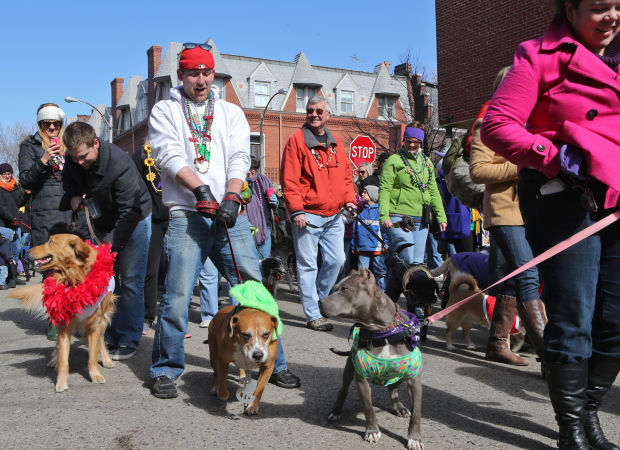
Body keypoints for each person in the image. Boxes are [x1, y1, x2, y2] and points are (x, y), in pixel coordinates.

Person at [481, 1, 620, 448]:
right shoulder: (537, 55)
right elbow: (497, 126)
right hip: (566, 199)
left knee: (616, 320)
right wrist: (553, 156)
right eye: (600, 7)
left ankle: (588, 415)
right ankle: (572, 431)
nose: (613, 17)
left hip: (617, 200)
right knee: (573, 317)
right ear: (571, 8)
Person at [148, 43, 300, 398]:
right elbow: (167, 155)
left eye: (206, 72)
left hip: (230, 215)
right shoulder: (165, 111)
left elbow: (239, 156)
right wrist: (200, 190)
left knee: (254, 290)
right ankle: (165, 368)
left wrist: (232, 194)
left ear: (213, 74)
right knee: (178, 294)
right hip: (188, 213)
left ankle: (273, 363)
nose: (200, 80)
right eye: (192, 73)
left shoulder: (230, 112)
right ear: (181, 75)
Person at [470, 66, 546, 368]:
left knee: (513, 280)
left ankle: (497, 342)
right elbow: (478, 171)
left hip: (534, 212)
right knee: (527, 276)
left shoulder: (535, 125)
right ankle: (552, 358)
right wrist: (522, 167)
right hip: (505, 212)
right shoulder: (485, 125)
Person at [60, 121, 152, 361]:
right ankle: (109, 331)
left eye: (83, 156)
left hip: (134, 218)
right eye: (74, 158)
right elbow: (68, 183)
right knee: (106, 281)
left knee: (131, 280)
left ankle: (129, 338)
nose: (79, 162)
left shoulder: (119, 164)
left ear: (96, 144)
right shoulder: (73, 160)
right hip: (101, 221)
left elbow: (129, 213)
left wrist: (108, 248)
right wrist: (72, 198)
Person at [280, 95, 356, 331]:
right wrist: (296, 210)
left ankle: (319, 299)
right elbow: (289, 179)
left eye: (319, 111)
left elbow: (345, 177)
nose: (314, 114)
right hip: (308, 215)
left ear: (328, 115)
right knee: (308, 265)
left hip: (334, 215)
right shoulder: (296, 140)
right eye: (310, 110)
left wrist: (350, 201)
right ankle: (313, 314)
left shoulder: (335, 144)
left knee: (337, 260)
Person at [19, 103, 86, 340]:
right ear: (39, 125)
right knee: (50, 267)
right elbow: (26, 180)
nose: (51, 128)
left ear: (61, 124)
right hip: (44, 213)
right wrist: (44, 159)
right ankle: (54, 318)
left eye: (55, 124)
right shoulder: (29, 147)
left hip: (70, 210)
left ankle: (73, 314)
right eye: (46, 124)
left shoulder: (70, 143)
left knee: (72, 265)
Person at [379, 125, 448, 266]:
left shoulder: (427, 163)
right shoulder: (394, 160)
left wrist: (441, 217)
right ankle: (396, 288)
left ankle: (410, 288)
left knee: (416, 262)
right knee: (405, 258)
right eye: (408, 141)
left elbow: (433, 191)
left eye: (415, 142)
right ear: (403, 141)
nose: (411, 145)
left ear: (421, 143)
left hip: (421, 218)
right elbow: (385, 188)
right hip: (398, 216)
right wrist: (384, 215)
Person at [132, 141, 169, 335]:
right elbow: (133, 184)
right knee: (151, 269)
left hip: (176, 215)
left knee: (177, 271)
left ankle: (170, 320)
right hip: (152, 218)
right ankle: (148, 316)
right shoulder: (142, 153)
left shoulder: (176, 148)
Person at [352, 185, 386, 290]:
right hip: (362, 247)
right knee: (362, 274)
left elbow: (385, 231)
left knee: (380, 272)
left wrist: (386, 244)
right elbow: (354, 231)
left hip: (378, 247)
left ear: (372, 195)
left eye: (365, 192)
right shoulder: (360, 212)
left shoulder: (380, 212)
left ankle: (382, 293)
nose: (362, 194)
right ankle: (363, 296)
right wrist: (354, 246)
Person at [0, 163, 28, 288]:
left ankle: (14, 276)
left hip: (15, 224)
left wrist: (27, 195)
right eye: (4, 174)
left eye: (9, 173)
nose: (7, 176)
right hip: (4, 224)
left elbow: (18, 203)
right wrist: (13, 218)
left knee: (16, 251)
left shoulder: (15, 187)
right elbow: (2, 207)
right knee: (7, 253)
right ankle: (8, 278)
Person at [247, 156, 277, 258]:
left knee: (265, 260)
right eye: (248, 169)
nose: (250, 173)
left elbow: (271, 206)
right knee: (250, 260)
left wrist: (274, 202)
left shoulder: (264, 181)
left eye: (253, 170)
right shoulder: (240, 183)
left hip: (265, 227)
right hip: (248, 228)